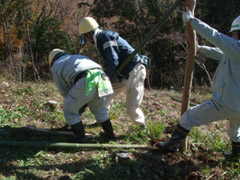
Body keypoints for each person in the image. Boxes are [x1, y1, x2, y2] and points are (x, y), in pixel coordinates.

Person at [157, 8, 240, 160]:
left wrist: (192, 21)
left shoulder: (237, 48)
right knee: (234, 130)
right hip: (238, 106)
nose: (234, 36)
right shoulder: (234, 50)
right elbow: (220, 52)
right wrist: (200, 49)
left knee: (188, 117)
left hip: (225, 103)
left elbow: (216, 37)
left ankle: (172, 145)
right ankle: (236, 155)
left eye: (236, 33)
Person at [78, 17, 150, 128]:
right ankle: (102, 120)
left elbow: (113, 61)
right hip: (122, 74)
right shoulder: (101, 39)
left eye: (85, 38)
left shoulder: (105, 37)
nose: (87, 42)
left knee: (132, 107)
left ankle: (142, 126)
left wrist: (105, 78)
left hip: (134, 70)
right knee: (104, 94)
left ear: (88, 35)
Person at [49, 48, 115, 142]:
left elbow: (64, 90)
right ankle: (110, 135)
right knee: (99, 109)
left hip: (86, 79)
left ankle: (80, 138)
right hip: (102, 78)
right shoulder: (75, 57)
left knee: (70, 109)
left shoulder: (56, 65)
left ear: (51, 61)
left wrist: (75, 104)